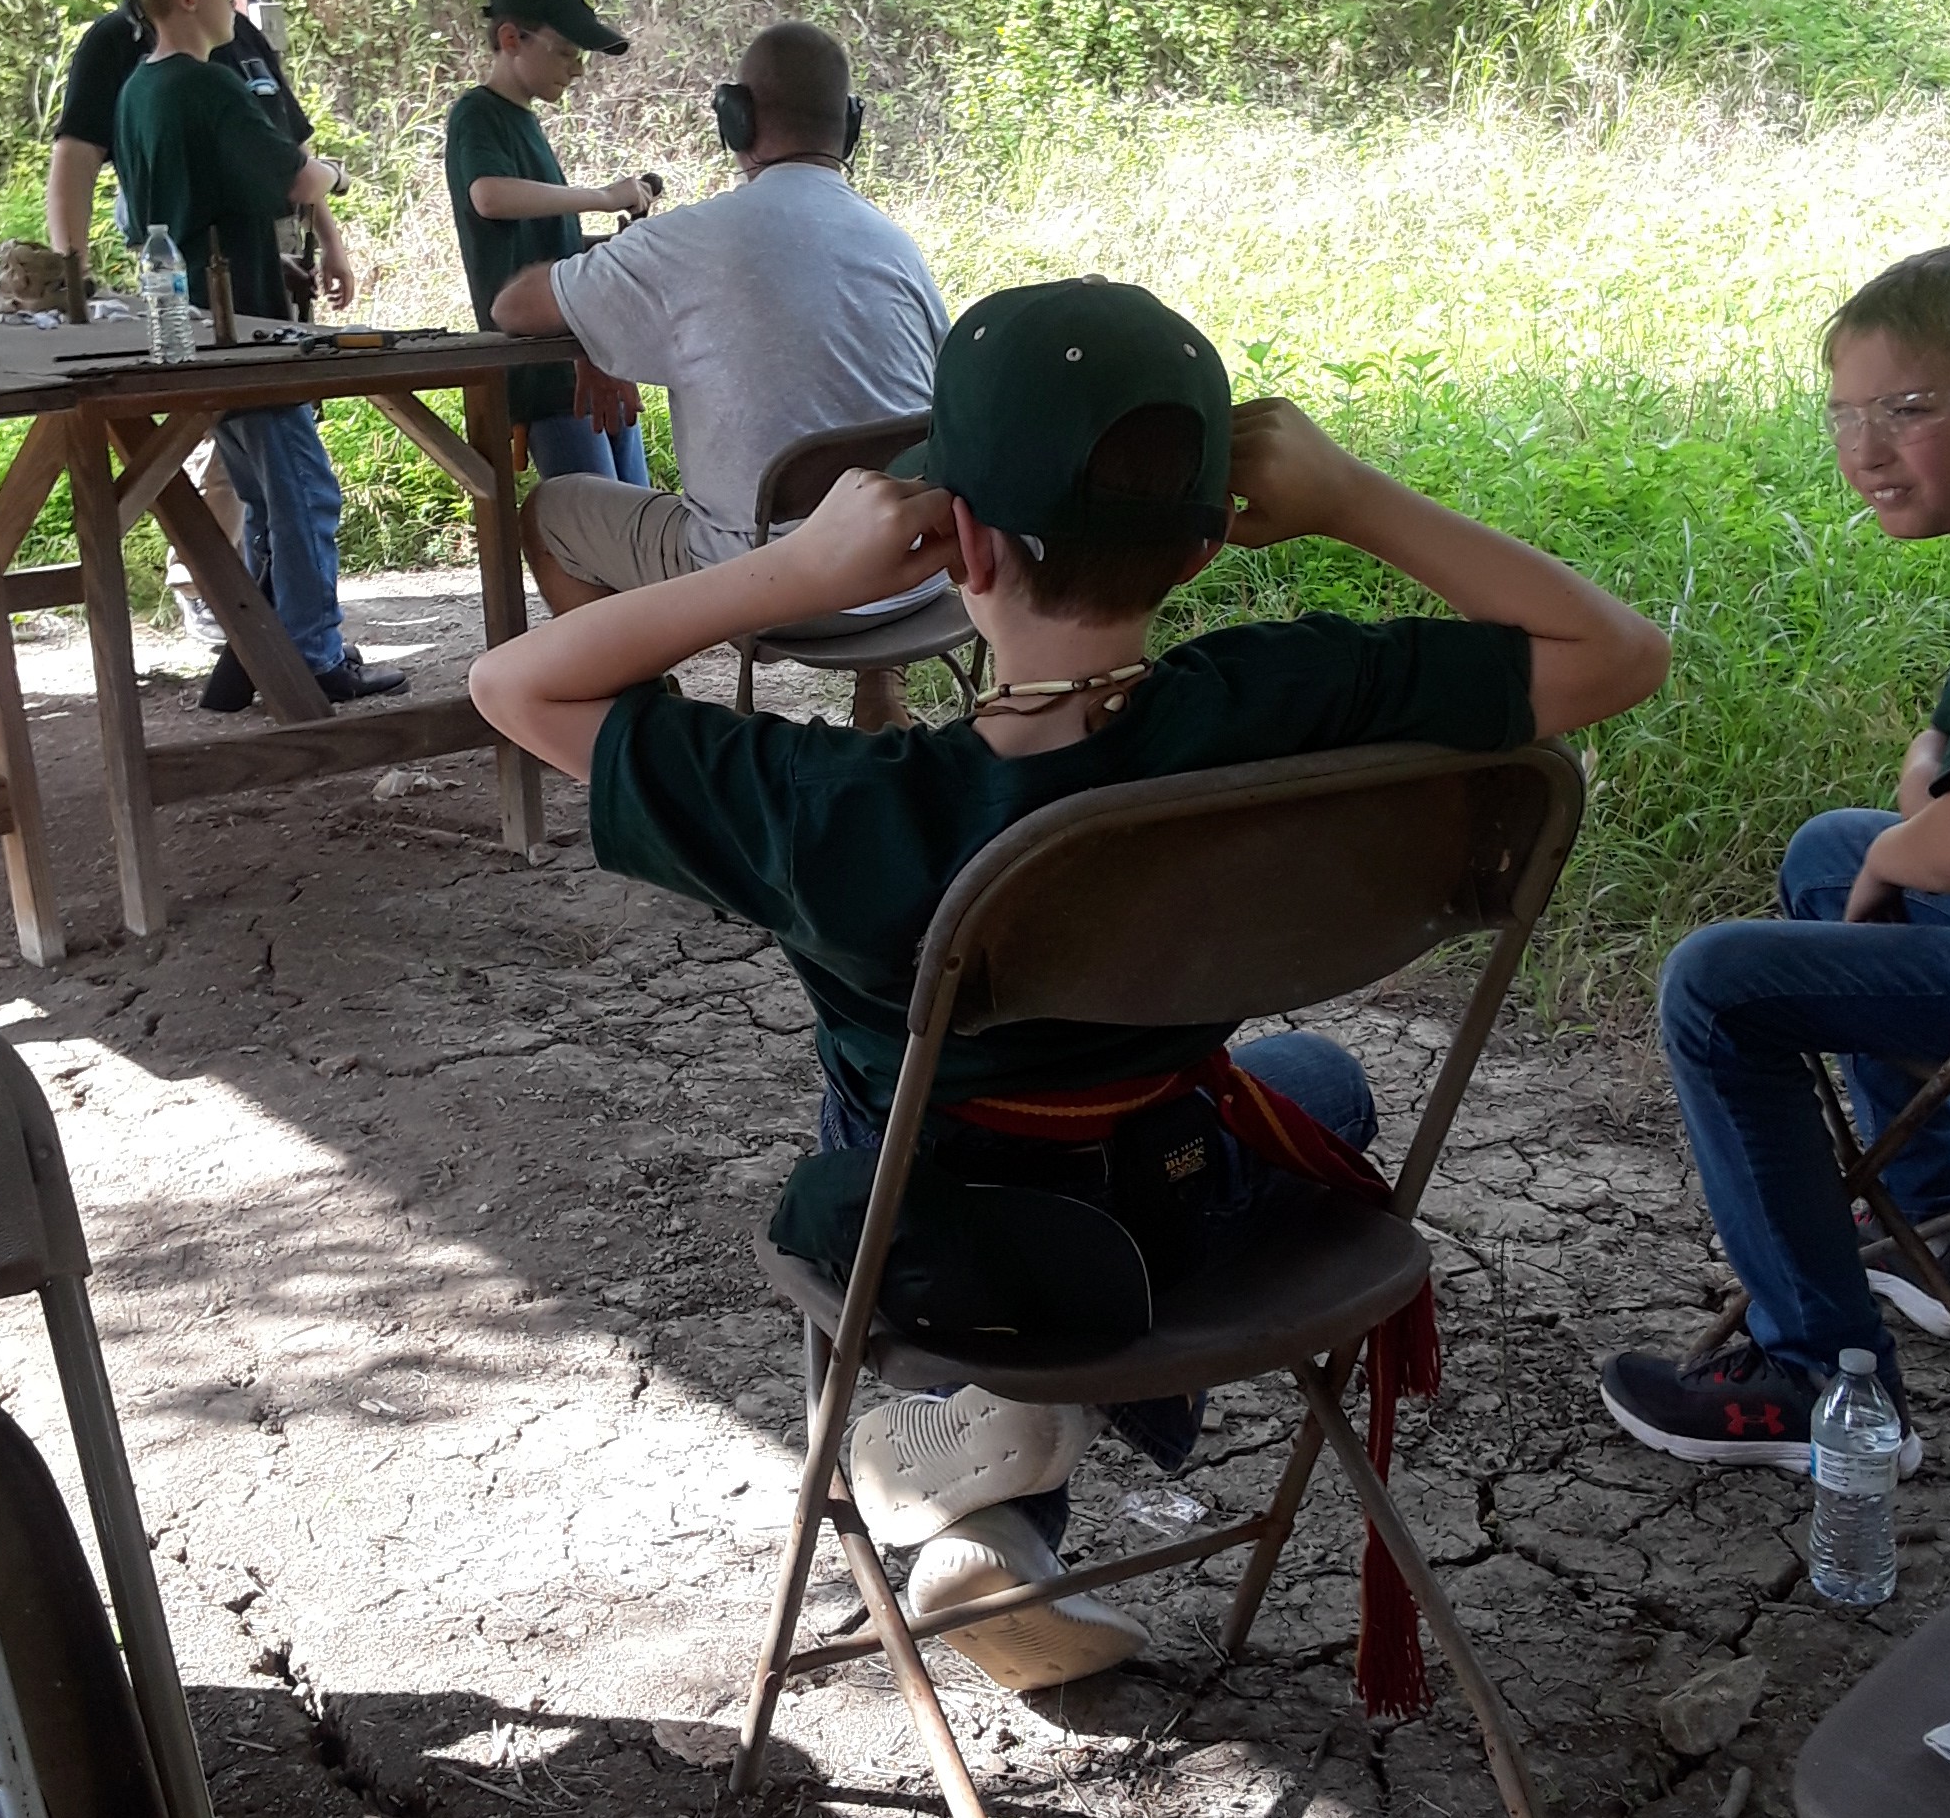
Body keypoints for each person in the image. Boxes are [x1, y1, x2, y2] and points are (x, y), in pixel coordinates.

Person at [470, 277, 1668, 1688]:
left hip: (937, 1235)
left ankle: (995, 1460)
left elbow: (517, 688)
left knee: (908, 1111)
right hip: (1175, 1182)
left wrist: (792, 576)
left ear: (959, 541)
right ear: (1208, 542)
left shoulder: (838, 810)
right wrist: (1355, 499)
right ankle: (1008, 1486)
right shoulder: (1285, 701)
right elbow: (1620, 652)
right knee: (1319, 1081)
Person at [1603, 244, 1950, 1480]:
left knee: (1716, 987)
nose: (1865, 448)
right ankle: (1935, 1232)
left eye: (1907, 409)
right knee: (1828, 855)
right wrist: (1913, 817)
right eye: (1845, 414)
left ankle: (1821, 1379)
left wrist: (1914, 827)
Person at [488, 19, 947, 734]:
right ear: (850, 125)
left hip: (768, 588)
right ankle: (880, 697)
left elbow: (514, 308)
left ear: (735, 117)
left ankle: (658, 738)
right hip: (912, 577)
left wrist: (591, 289)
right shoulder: (896, 245)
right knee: (866, 450)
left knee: (549, 513)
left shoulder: (684, 240)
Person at [111, 0, 405, 712]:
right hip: (244, 332)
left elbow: (173, 209)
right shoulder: (206, 83)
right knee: (304, 494)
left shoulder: (138, 90)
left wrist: (256, 260)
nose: (232, 5)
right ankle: (311, 658)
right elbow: (298, 178)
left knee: (268, 500)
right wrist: (334, 172)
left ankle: (258, 652)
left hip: (196, 314)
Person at [46, 0, 315, 642]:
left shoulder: (227, 45)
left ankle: (257, 621)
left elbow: (284, 144)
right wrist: (70, 274)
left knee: (259, 466)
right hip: (206, 287)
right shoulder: (125, 50)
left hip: (253, 268)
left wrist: (314, 234)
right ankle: (253, 614)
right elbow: (76, 160)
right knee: (271, 468)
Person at [446, 0, 659, 486]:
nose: (577, 69)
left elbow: (545, 238)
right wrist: (602, 197)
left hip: (584, 353)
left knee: (635, 507)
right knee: (596, 520)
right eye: (565, 51)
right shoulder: (478, 114)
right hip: (540, 369)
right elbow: (489, 197)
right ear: (511, 39)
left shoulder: (523, 122)